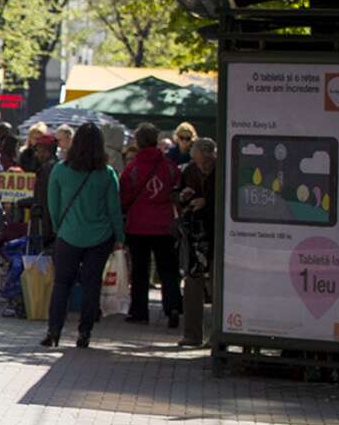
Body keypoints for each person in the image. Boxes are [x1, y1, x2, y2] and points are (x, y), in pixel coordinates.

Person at [41, 123, 123, 349]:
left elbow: (53, 205)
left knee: (62, 284)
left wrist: (60, 228)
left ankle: (54, 331)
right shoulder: (107, 174)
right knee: (91, 285)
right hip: (100, 237)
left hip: (68, 235)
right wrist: (120, 237)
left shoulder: (60, 169)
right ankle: (84, 332)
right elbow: (114, 209)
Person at [120, 122, 182, 329]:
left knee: (139, 271)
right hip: (164, 225)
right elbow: (177, 188)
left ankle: (139, 311)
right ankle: (173, 307)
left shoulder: (133, 168)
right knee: (168, 269)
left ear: (138, 142)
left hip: (138, 225)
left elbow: (124, 196)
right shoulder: (169, 167)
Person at [175, 137, 216, 348]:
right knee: (192, 282)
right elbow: (177, 196)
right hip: (196, 235)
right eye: (198, 162)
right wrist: (184, 197)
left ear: (212, 156)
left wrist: (207, 202)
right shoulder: (189, 170)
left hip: (217, 234)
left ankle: (217, 337)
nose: (201, 166)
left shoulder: (222, 169)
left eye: (205, 162)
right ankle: (191, 334)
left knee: (217, 284)